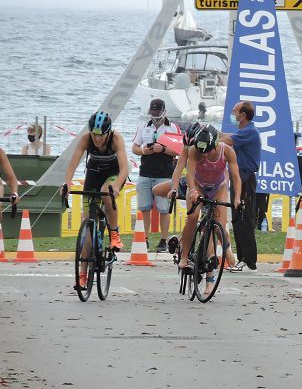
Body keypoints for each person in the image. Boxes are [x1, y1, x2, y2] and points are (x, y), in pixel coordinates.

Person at [154, 122, 238, 270]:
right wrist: (174, 189)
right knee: (191, 215)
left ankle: (219, 252)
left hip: (215, 184)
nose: (200, 153)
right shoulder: (190, 150)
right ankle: (183, 247)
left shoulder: (215, 147)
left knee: (216, 222)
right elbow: (180, 169)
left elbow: (229, 144)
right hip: (192, 181)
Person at [184, 125, 241, 297]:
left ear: (215, 145)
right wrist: (193, 191)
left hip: (218, 187)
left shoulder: (227, 152)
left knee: (217, 228)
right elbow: (189, 174)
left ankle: (226, 251)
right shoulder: (195, 151)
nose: (205, 156)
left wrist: (237, 198)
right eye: (202, 152)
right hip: (199, 186)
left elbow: (236, 178)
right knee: (193, 216)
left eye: (208, 152)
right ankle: (185, 256)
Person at [63, 111, 129, 251]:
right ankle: (82, 272)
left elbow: (124, 168)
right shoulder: (85, 139)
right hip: (94, 173)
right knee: (87, 232)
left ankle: (114, 234)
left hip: (113, 174)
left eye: (101, 135)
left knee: (106, 192)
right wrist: (67, 184)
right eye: (94, 134)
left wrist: (117, 186)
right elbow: (72, 165)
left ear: (108, 132)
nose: (97, 139)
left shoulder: (116, 139)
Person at [131, 99, 178, 253]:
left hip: (164, 174)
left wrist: (163, 149)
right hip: (145, 172)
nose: (155, 117)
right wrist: (144, 151)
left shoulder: (172, 127)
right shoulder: (144, 127)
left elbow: (180, 150)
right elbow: (135, 148)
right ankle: (143, 238)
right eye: (152, 114)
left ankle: (163, 240)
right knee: (144, 207)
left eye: (157, 114)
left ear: (164, 112)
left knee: (164, 208)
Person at [221, 101, 260, 270]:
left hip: (245, 177)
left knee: (244, 218)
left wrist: (213, 138)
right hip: (239, 177)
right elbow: (227, 136)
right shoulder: (244, 131)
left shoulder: (250, 132)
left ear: (243, 115)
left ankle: (248, 259)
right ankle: (242, 257)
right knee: (237, 218)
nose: (232, 114)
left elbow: (228, 140)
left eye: (234, 111)